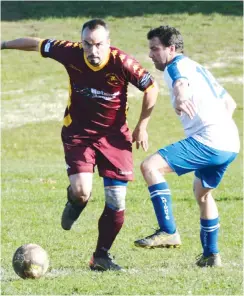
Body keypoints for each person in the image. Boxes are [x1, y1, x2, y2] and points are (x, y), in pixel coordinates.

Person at [1, 19, 158, 271]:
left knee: (117, 201)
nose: (93, 51)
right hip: (79, 133)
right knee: (81, 191)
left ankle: (101, 257)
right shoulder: (70, 51)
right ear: (81, 41)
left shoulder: (123, 62)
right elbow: (36, 44)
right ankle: (75, 203)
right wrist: (3, 44)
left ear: (108, 43)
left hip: (115, 138)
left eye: (98, 45)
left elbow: (151, 87)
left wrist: (143, 125)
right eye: (87, 44)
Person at [134, 25, 240, 267]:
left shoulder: (175, 66)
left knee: (150, 167)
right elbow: (230, 103)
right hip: (230, 143)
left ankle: (168, 230)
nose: (150, 55)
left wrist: (181, 97)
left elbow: (180, 84)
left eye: (155, 49)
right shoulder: (198, 67)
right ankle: (211, 255)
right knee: (202, 193)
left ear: (171, 49)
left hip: (209, 141)